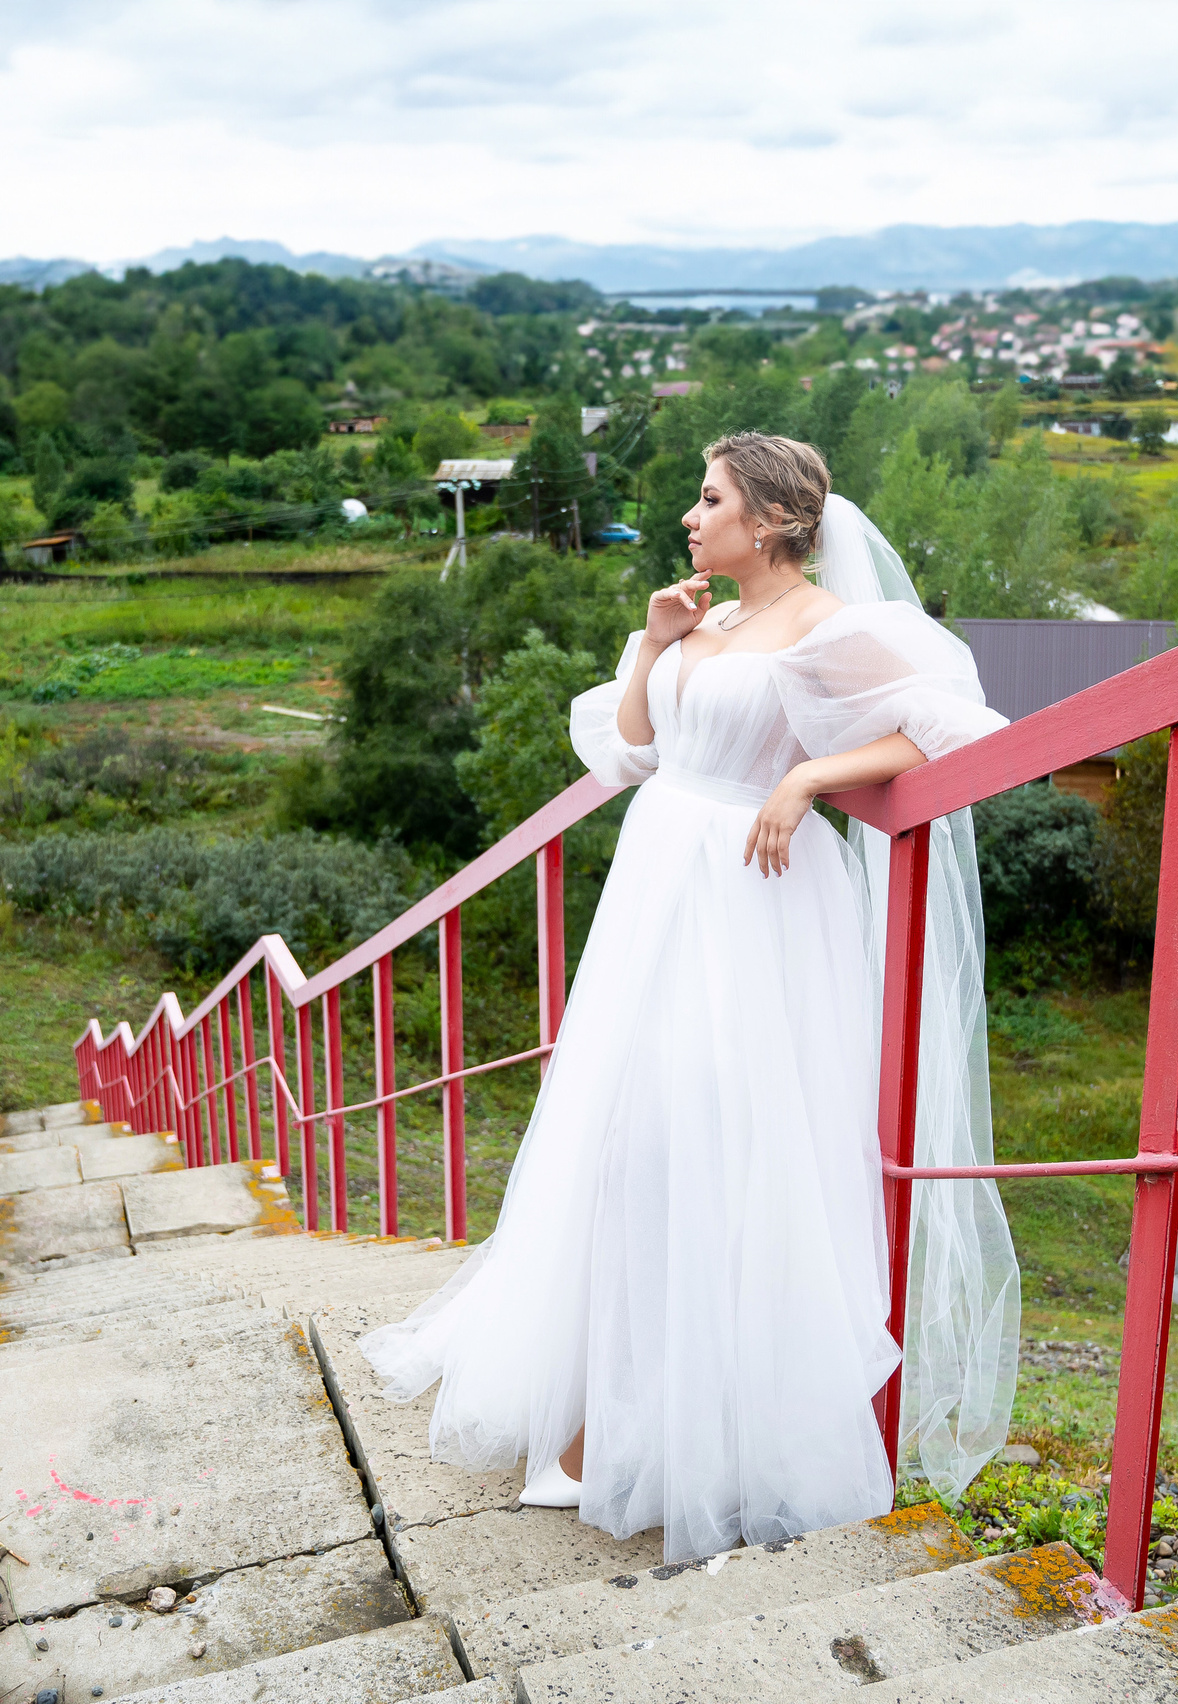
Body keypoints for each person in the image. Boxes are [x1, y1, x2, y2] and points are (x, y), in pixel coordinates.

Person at [360, 432, 1020, 1564]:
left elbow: (965, 725)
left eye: (707, 498)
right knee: (616, 1141)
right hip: (657, 886)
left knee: (708, 1143)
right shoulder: (698, 619)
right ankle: (590, 1422)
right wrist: (655, 647)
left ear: (768, 519)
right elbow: (627, 758)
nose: (687, 515)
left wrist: (812, 773)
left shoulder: (827, 623)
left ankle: (703, 1436)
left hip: (745, 901)